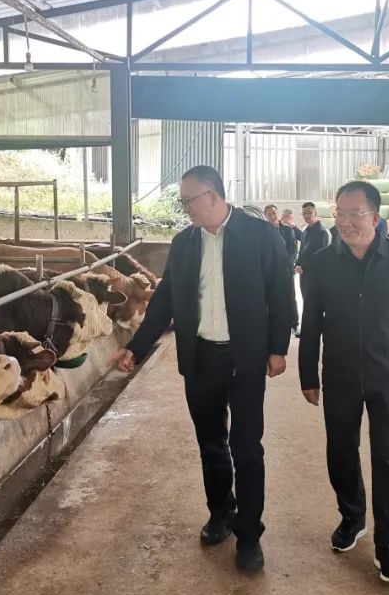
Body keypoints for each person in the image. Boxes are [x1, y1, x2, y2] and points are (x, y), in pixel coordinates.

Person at [115, 166, 294, 574]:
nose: (186, 209)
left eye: (189, 201)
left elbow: (281, 294)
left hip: (246, 358)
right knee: (211, 443)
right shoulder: (184, 243)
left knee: (246, 448)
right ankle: (220, 513)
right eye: (183, 202)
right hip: (200, 358)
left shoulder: (260, 236)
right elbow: (164, 300)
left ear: (213, 196)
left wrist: (277, 349)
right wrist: (136, 348)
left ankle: (249, 535)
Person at [298, 180, 389, 584]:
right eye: (340, 213)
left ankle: (388, 544)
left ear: (375, 216)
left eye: (355, 214)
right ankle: (352, 517)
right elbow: (310, 324)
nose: (346, 221)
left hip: (388, 375)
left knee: (388, 458)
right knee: (340, 450)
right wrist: (308, 375)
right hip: (339, 375)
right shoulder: (321, 264)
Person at [265, 203, 301, 337]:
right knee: (270, 297)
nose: (272, 216)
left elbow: (293, 249)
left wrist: (286, 265)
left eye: (274, 213)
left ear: (277, 213)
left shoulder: (287, 230)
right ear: (265, 216)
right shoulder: (264, 231)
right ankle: (273, 324)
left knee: (290, 297)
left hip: (286, 270)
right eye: (269, 214)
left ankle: (294, 324)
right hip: (269, 271)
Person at [296, 201, 331, 303]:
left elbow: (321, 256)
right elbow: (302, 251)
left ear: (315, 213)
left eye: (309, 212)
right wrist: (297, 264)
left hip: (316, 275)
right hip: (304, 274)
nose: (306, 215)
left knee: (315, 304)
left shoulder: (322, 232)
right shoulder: (305, 231)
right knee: (306, 302)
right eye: (304, 213)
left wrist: (304, 266)